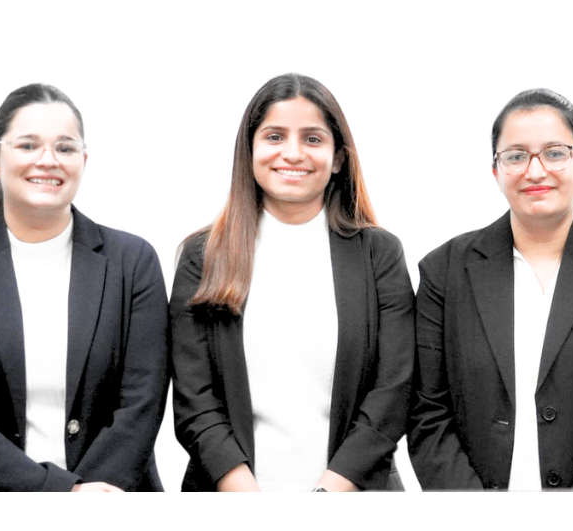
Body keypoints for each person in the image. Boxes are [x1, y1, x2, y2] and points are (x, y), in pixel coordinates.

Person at [409, 87, 573, 489]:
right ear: (495, 171)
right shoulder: (445, 271)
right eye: (516, 155)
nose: (535, 171)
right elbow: (426, 412)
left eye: (554, 152)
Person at [170, 72, 413, 492]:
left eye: (313, 139)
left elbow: (393, 389)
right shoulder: (201, 255)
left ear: (338, 157)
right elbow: (192, 395)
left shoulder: (381, 254)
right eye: (275, 136)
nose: (293, 153)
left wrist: (330, 489)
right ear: (250, 151)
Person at [0, 81, 168, 491]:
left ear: (84, 161)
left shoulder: (133, 261)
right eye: (27, 145)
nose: (47, 160)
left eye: (65, 148)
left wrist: (98, 486)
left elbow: (144, 401)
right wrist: (61, 490)